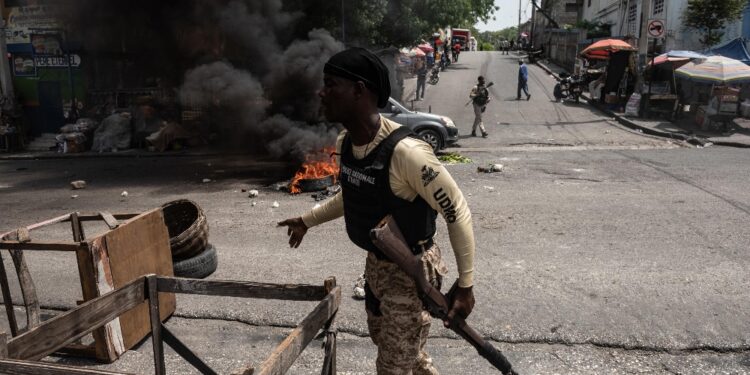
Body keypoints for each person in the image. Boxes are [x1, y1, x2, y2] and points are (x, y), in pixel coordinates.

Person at [278, 47, 477, 375]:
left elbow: (457, 210)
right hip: (377, 267)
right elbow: (353, 196)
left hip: (412, 270)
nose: (321, 91)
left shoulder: (408, 153)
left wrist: (466, 284)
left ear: (359, 90)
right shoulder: (346, 143)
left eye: (331, 84)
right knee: (401, 350)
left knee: (392, 365)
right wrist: (306, 220)